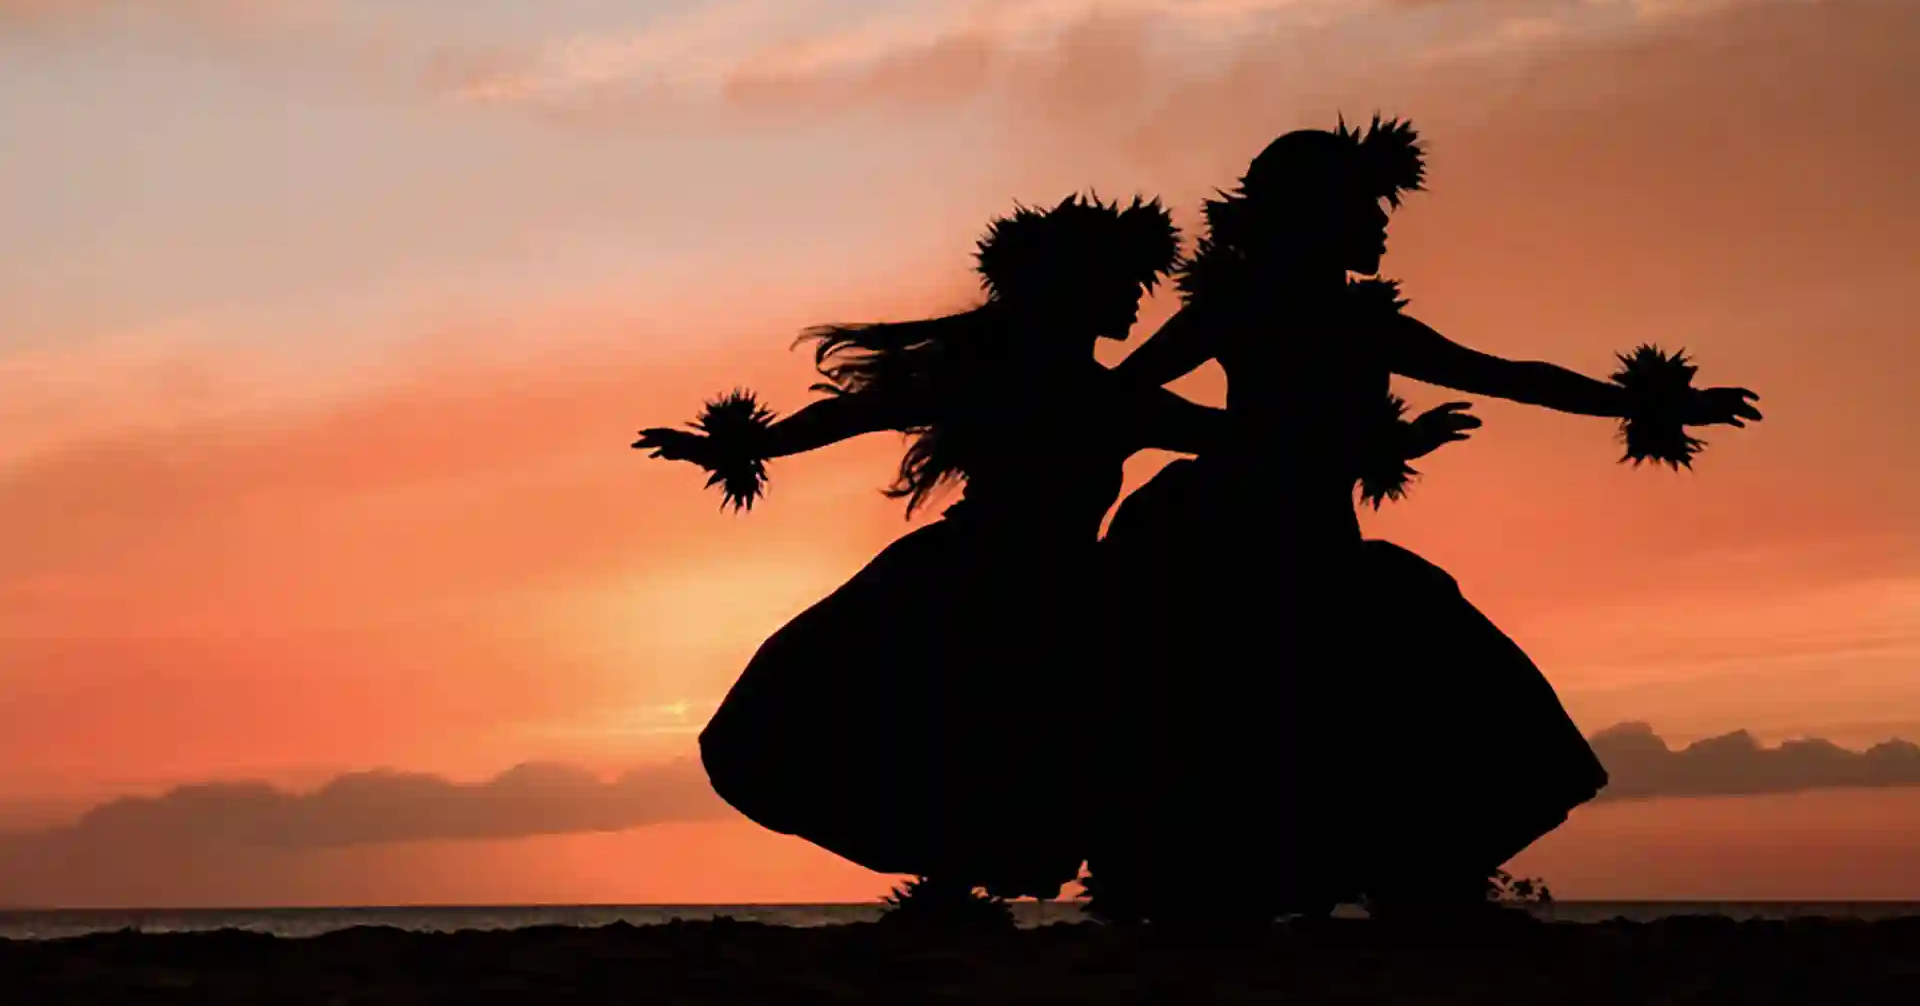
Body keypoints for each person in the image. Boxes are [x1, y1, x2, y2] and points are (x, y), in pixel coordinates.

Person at [633, 192, 1487, 901]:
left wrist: (1385, 448)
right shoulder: (1066, 389)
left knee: (1009, 743)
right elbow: (849, 412)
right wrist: (739, 448)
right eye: (1123, 284)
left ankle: (962, 889)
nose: (1136, 301)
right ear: (1074, 288)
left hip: (1033, 585)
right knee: (954, 730)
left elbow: (1248, 439)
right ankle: (960, 887)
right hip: (1000, 580)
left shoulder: (1093, 393)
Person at [1085, 116, 1764, 922]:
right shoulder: (1239, 310)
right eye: (1364, 209)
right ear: (1316, 215)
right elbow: (1114, 395)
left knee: (1360, 719)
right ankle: (1257, 892)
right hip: (1233, 549)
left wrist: (1654, 401)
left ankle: (1400, 885)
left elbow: (1511, 377)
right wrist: (1228, 436)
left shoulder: (1360, 323)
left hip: (1318, 545)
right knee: (1258, 722)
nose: (1378, 226)